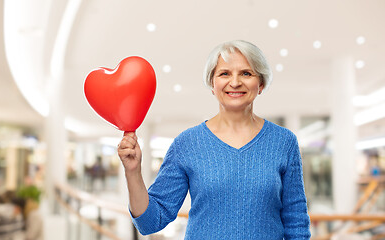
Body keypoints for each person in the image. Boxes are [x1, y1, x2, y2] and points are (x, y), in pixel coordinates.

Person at [118, 40, 311, 239]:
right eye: (224, 73)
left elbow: (296, 222)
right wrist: (133, 172)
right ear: (212, 83)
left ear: (260, 84)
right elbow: (150, 222)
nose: (235, 82)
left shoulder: (284, 142)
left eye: (246, 73)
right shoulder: (187, 144)